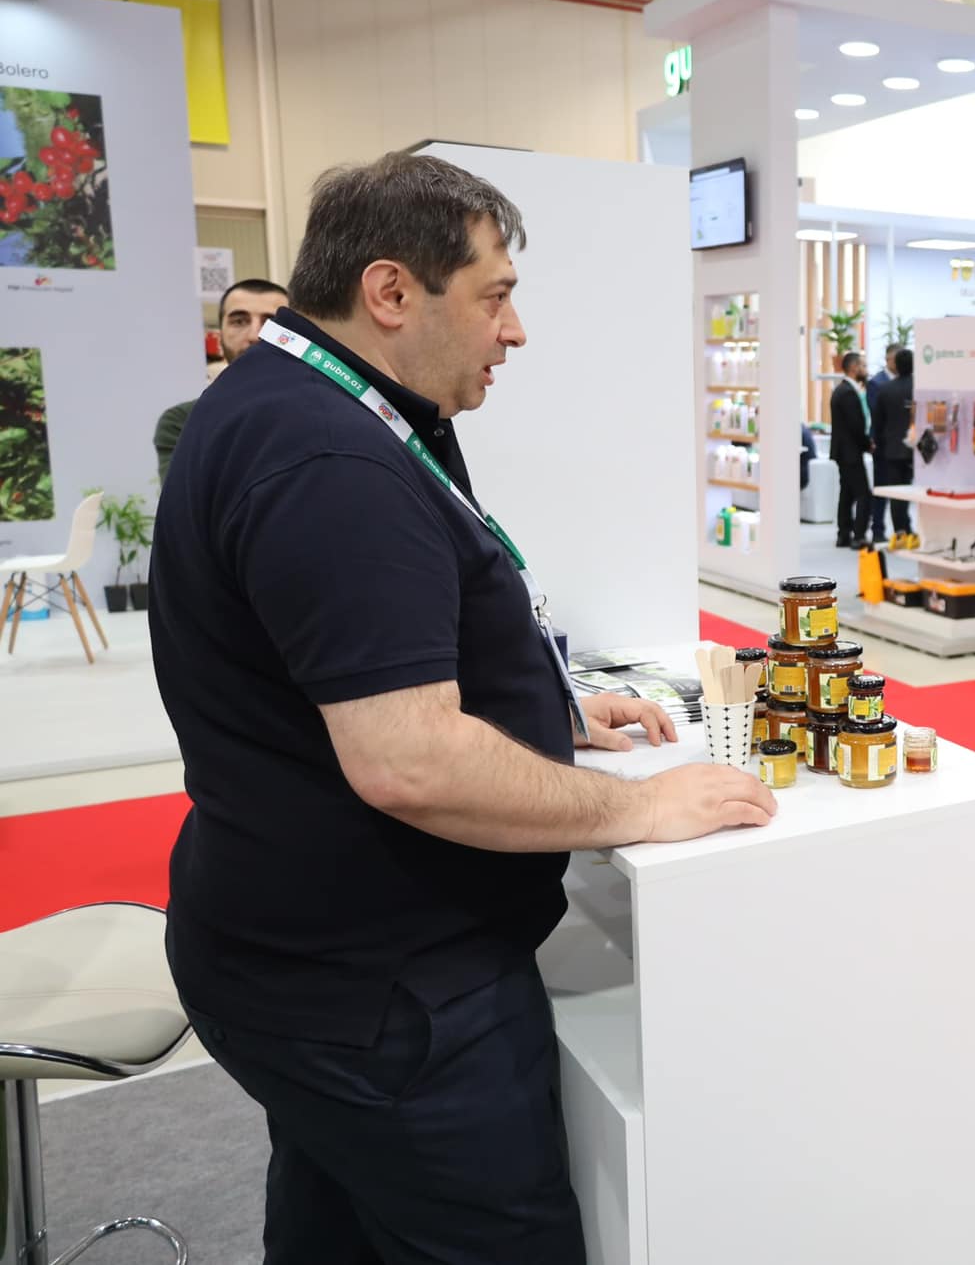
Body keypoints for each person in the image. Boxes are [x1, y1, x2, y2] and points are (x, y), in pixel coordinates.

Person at [149, 152, 778, 1261]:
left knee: (337, 1228)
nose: (514, 330)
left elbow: (338, 661)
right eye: (494, 296)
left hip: (298, 953)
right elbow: (410, 762)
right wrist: (636, 806)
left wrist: (539, 705)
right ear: (391, 292)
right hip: (382, 991)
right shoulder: (328, 455)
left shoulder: (303, 405)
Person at [153, 279, 288, 481]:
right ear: (220, 336)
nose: (255, 335)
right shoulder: (184, 420)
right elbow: (185, 498)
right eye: (239, 321)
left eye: (272, 323)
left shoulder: (326, 410)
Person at [870, 345, 918, 545]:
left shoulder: (885, 389)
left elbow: (877, 422)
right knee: (915, 491)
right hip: (917, 450)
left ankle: (901, 532)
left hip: (891, 451)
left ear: (896, 365)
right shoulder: (919, 389)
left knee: (896, 493)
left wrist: (880, 445)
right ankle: (911, 530)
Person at [830, 351, 874, 548]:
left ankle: (844, 534)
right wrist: (868, 444)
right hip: (850, 452)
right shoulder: (848, 393)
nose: (866, 370)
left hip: (844, 452)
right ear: (854, 368)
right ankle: (859, 535)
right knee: (864, 494)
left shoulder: (842, 390)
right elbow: (855, 425)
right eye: (863, 366)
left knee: (847, 493)